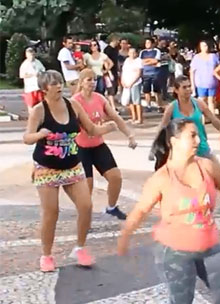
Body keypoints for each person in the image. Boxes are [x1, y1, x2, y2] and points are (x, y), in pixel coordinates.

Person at [118, 118, 220, 304]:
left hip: (209, 246)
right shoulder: (161, 178)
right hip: (175, 251)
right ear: (174, 141)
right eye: (192, 135)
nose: (198, 140)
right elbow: (141, 210)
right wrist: (125, 236)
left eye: (198, 135)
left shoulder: (207, 167)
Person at [23, 70, 117, 272]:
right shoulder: (39, 111)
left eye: (59, 82)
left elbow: (91, 129)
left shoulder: (73, 105)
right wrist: (40, 134)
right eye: (53, 83)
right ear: (44, 89)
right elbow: (27, 138)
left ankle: (80, 248)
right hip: (46, 168)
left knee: (86, 205)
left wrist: (108, 127)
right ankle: (46, 255)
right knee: (51, 212)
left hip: (72, 166)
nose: (58, 86)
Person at [72, 69, 137, 220]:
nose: (92, 83)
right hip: (81, 148)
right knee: (87, 186)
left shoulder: (99, 99)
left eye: (94, 79)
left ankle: (111, 207)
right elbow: (89, 129)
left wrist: (129, 135)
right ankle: (84, 217)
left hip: (98, 145)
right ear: (81, 82)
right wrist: (107, 128)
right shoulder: (75, 101)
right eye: (88, 80)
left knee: (116, 177)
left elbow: (115, 117)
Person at [160, 75, 220, 161]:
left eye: (189, 86)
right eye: (184, 87)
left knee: (215, 171)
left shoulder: (199, 103)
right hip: (182, 151)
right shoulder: (171, 108)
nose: (188, 89)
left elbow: (213, 119)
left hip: (202, 148)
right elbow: (163, 128)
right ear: (176, 90)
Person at [190, 41, 220, 113]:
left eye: (206, 46)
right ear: (200, 47)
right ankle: (201, 118)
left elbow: (219, 68)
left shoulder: (213, 56)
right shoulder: (196, 57)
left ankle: (213, 119)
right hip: (201, 83)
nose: (205, 48)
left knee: (211, 101)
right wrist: (192, 85)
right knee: (202, 101)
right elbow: (192, 71)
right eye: (203, 46)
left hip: (212, 82)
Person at [121, 46, 144, 125]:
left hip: (135, 83)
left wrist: (132, 83)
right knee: (130, 101)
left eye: (134, 52)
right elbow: (123, 71)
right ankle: (133, 117)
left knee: (136, 101)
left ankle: (139, 118)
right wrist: (122, 81)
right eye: (130, 52)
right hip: (126, 83)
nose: (132, 54)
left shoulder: (138, 61)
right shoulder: (127, 60)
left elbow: (139, 73)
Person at [19, 47, 46, 111]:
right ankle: (32, 117)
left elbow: (43, 70)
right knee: (31, 104)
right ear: (26, 55)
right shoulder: (24, 64)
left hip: (38, 87)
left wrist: (40, 73)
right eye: (30, 54)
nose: (32, 56)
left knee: (40, 103)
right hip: (30, 88)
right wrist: (32, 75)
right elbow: (22, 75)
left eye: (33, 54)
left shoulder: (37, 62)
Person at [139, 38, 162, 111]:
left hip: (155, 73)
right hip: (145, 73)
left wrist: (147, 61)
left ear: (152, 44)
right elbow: (141, 61)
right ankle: (148, 106)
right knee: (146, 90)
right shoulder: (142, 52)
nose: (147, 44)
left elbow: (156, 60)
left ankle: (159, 106)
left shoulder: (156, 51)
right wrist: (151, 61)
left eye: (148, 42)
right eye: (146, 43)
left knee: (157, 91)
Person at [103, 36, 121, 110]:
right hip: (109, 71)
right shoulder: (107, 50)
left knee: (115, 88)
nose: (118, 42)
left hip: (115, 71)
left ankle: (112, 104)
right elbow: (105, 61)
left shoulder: (116, 49)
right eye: (118, 41)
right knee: (111, 89)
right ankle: (112, 107)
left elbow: (117, 60)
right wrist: (109, 72)